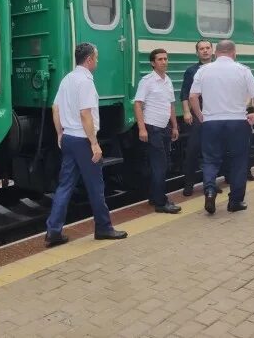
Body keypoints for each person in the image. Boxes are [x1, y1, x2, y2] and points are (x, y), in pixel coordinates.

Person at [45, 43, 128, 247]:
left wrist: (59, 133)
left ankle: (53, 231)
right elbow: (85, 114)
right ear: (89, 59)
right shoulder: (85, 82)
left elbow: (55, 108)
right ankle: (104, 228)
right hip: (83, 141)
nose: (97, 62)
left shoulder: (67, 79)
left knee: (65, 186)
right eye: (96, 58)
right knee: (95, 186)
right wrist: (94, 144)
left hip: (68, 140)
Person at [189, 40, 254, 214]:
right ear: (234, 52)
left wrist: (201, 115)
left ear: (215, 53)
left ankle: (209, 190)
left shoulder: (203, 70)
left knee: (210, 159)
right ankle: (235, 202)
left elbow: (193, 96)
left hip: (211, 123)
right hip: (237, 122)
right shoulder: (243, 70)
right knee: (238, 161)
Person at [134, 49, 181, 213]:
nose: (164, 62)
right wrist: (141, 128)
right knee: (159, 165)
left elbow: (171, 105)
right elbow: (138, 104)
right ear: (153, 63)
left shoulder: (167, 80)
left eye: (166, 59)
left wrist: (174, 126)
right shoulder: (147, 81)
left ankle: (155, 197)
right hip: (152, 128)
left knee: (163, 164)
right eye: (160, 59)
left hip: (165, 128)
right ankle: (161, 203)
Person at [180, 40, 227, 196]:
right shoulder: (191, 71)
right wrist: (186, 112)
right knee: (192, 151)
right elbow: (185, 93)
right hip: (198, 116)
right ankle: (188, 185)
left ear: (212, 51)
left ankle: (211, 184)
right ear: (197, 53)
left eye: (207, 48)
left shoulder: (220, 69)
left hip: (215, 115)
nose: (205, 51)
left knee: (213, 152)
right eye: (201, 49)